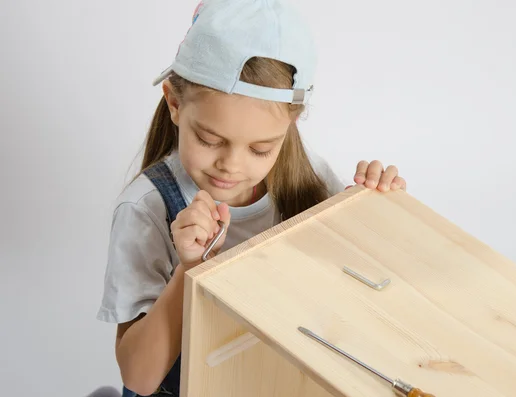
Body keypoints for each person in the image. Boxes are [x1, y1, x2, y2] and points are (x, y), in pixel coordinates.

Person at [96, 0, 407, 395]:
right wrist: (190, 268)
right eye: (210, 140)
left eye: (260, 149)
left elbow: (348, 282)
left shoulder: (303, 171)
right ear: (175, 103)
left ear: (289, 125)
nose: (231, 165)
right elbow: (139, 378)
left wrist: (366, 211)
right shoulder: (146, 208)